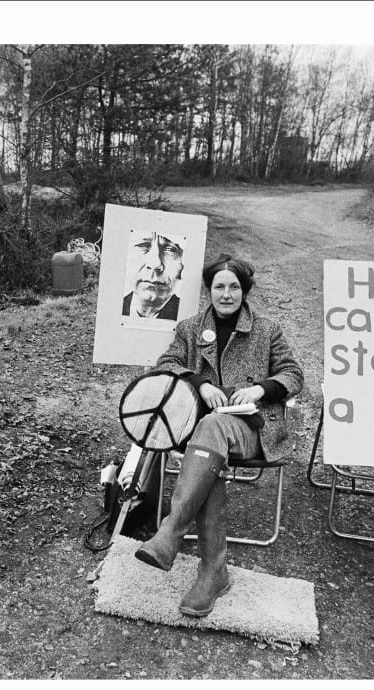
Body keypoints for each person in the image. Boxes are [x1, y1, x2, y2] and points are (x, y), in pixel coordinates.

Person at [134, 254, 304, 617]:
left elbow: (293, 374)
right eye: (219, 287)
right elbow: (167, 364)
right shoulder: (191, 328)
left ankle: (171, 532)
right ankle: (213, 572)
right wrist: (200, 382)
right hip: (204, 431)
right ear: (209, 291)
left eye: (234, 287)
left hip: (252, 426)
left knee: (210, 431)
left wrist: (261, 389)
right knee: (208, 444)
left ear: (245, 292)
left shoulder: (266, 329)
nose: (226, 294)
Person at [121, 231, 183, 320]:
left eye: (170, 249)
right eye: (144, 246)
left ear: (182, 266)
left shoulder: (185, 317)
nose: (155, 264)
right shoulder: (112, 307)